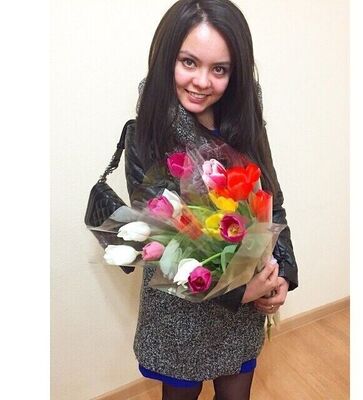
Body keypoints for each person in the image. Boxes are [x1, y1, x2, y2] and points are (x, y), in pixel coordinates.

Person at [123, 1, 298, 399]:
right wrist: (239, 292)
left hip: (243, 311)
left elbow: (272, 202)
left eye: (219, 69)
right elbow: (162, 240)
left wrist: (283, 273)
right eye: (189, 62)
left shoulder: (246, 123)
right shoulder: (147, 133)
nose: (202, 81)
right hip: (181, 313)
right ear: (167, 58)